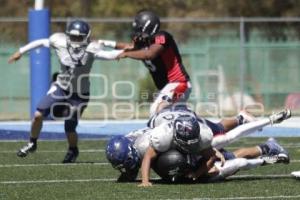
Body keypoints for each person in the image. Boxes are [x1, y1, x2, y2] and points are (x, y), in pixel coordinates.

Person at [8, 19, 123, 163]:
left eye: (79, 37)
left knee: (69, 126)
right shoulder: (59, 41)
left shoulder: (92, 48)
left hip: (80, 94)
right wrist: (20, 51)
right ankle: (32, 143)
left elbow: (110, 54)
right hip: (61, 88)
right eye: (73, 37)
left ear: (86, 37)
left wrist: (123, 53)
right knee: (38, 115)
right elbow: (40, 42)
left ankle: (73, 149)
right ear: (68, 36)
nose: (75, 41)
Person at [138, 107, 291, 186]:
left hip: (198, 150)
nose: (190, 145)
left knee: (225, 137)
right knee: (237, 161)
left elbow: (210, 156)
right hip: (187, 161)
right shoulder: (162, 137)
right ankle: (268, 154)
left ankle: (266, 120)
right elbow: (148, 156)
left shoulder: (202, 135)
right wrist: (145, 180)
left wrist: (198, 172)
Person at [106, 127, 290, 183]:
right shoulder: (135, 141)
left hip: (190, 146)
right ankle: (266, 148)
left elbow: (147, 157)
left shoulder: (144, 145)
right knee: (230, 153)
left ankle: (267, 150)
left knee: (228, 156)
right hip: (182, 144)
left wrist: (197, 172)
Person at [113, 10, 192, 116]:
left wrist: (127, 54)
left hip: (178, 83)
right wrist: (105, 43)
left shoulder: (162, 36)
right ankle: (203, 126)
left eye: (139, 29)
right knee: (172, 114)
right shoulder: (146, 42)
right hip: (168, 87)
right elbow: (130, 47)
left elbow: (149, 54)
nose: (137, 32)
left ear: (148, 26)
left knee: (158, 109)